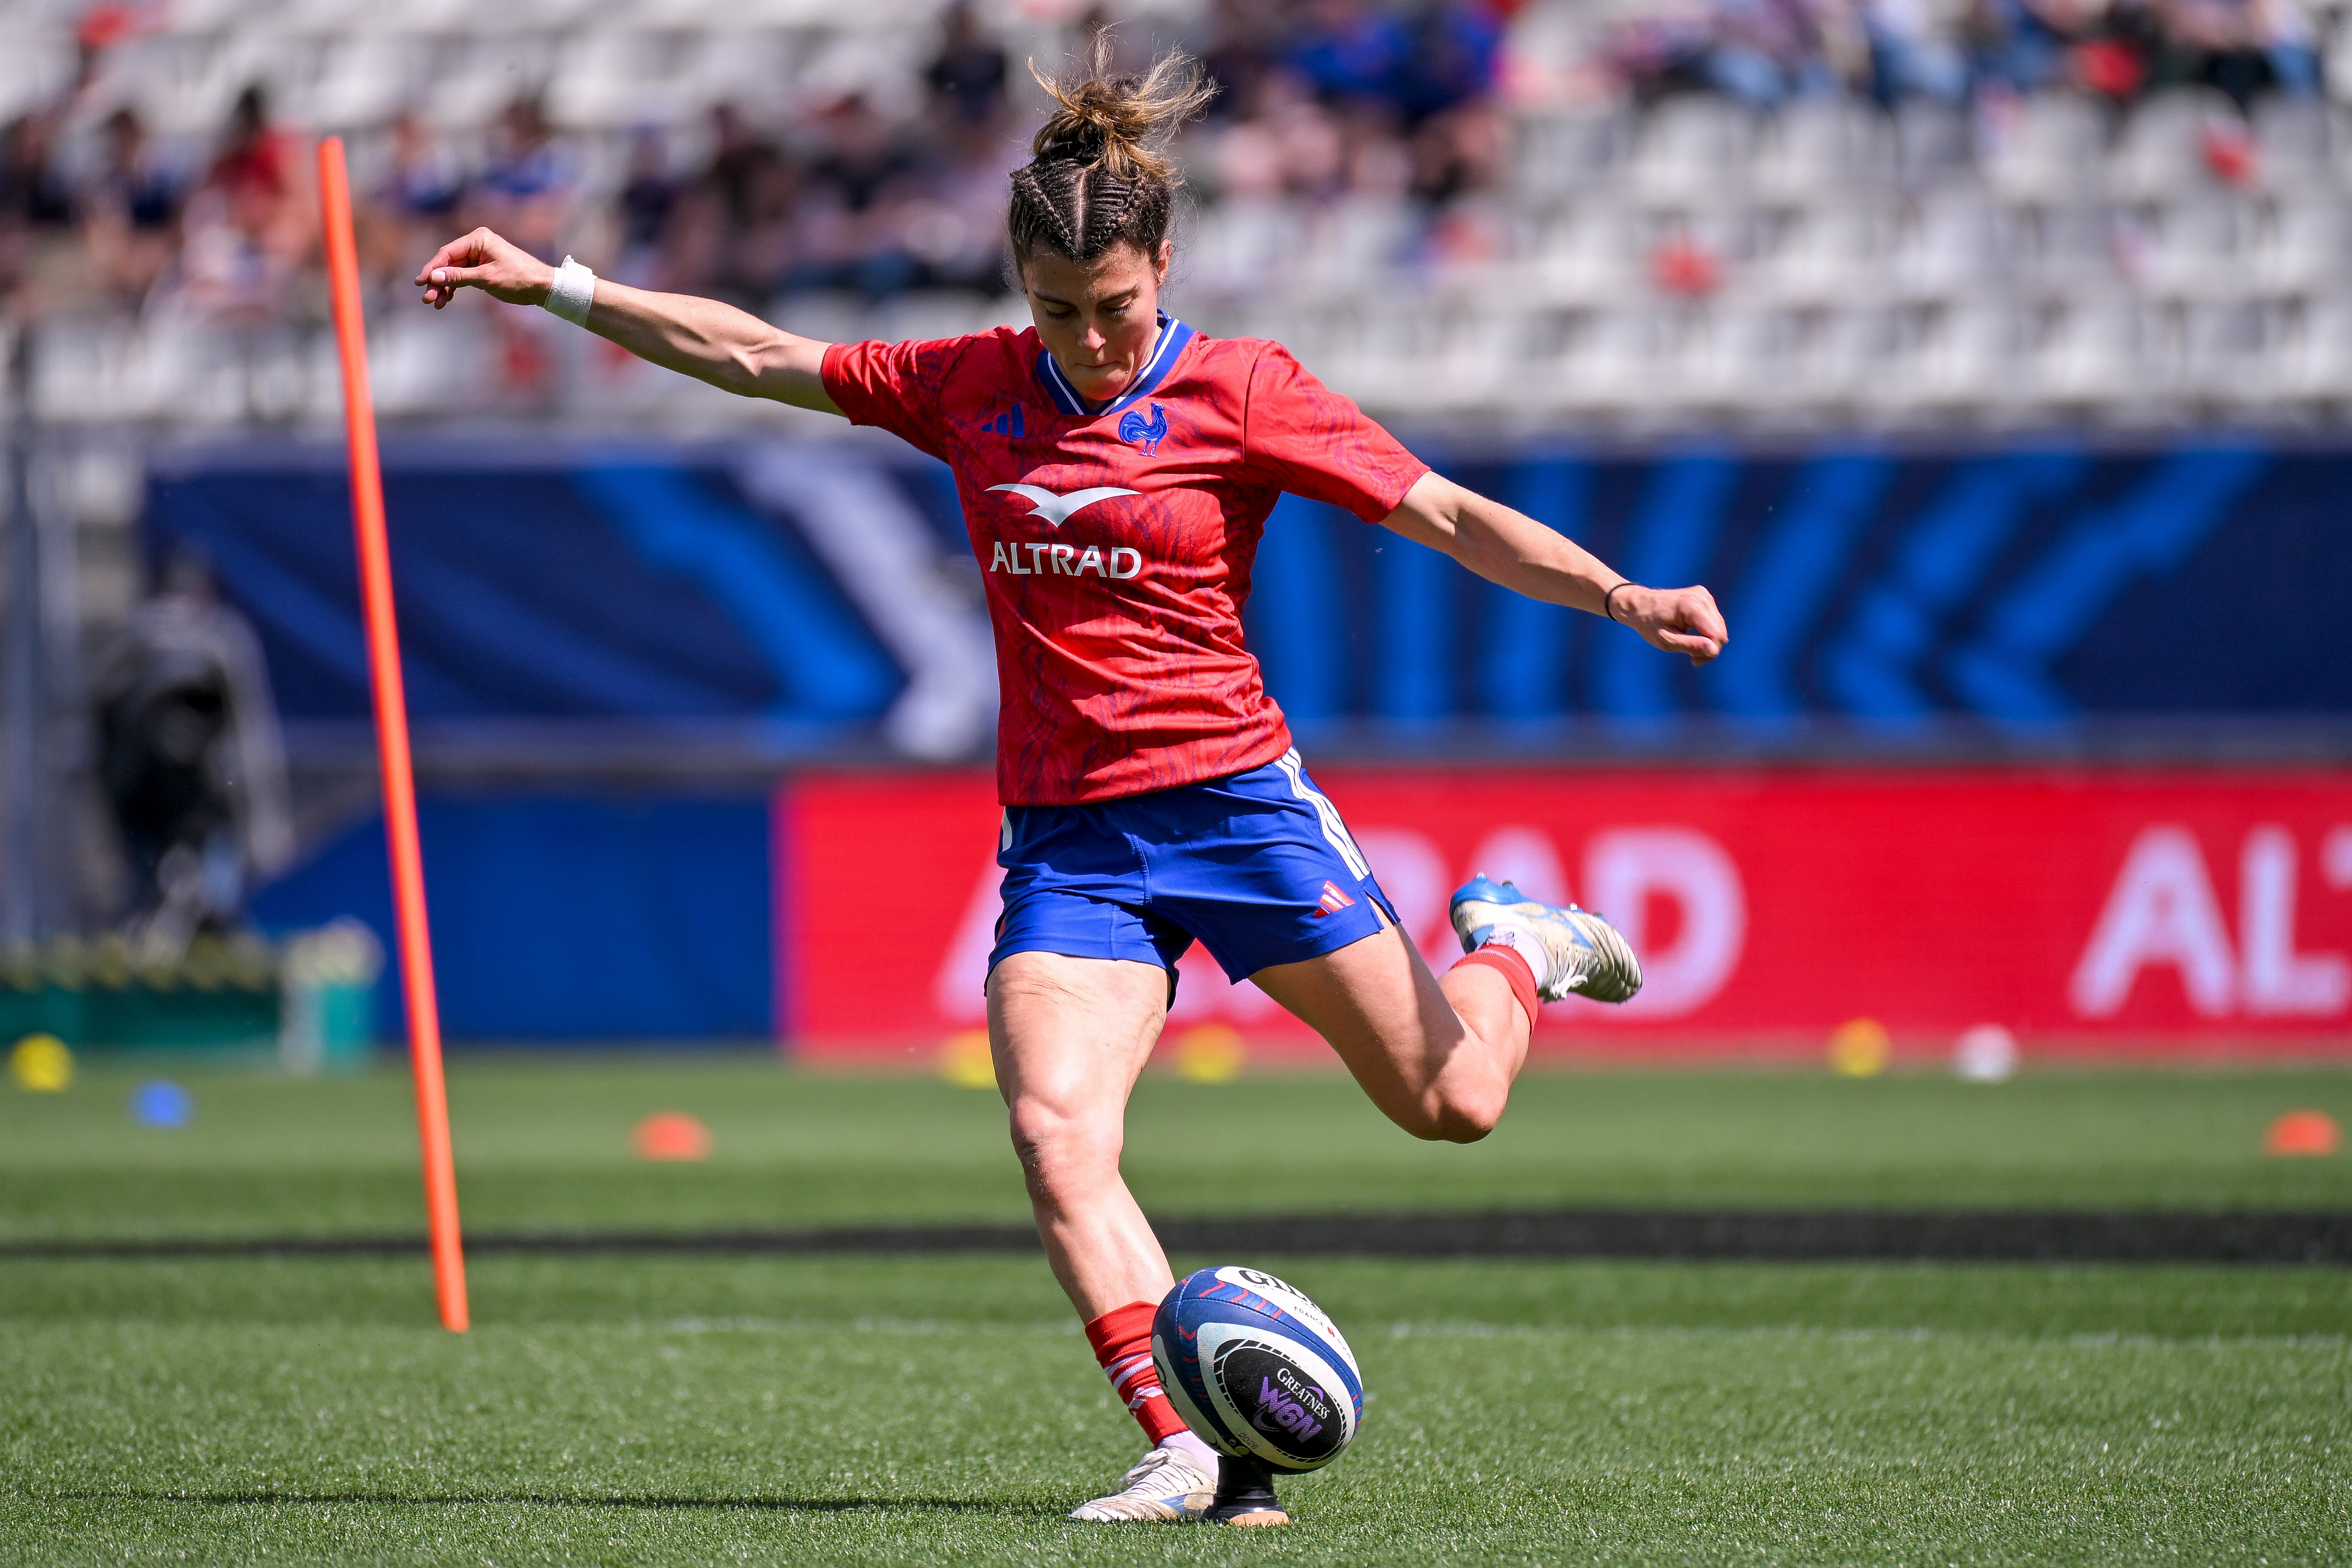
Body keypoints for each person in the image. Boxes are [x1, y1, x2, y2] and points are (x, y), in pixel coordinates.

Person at [413, 41, 1728, 1529]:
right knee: (1053, 1128)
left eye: (1117, 310)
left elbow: (1437, 510)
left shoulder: (1243, 392)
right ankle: (1189, 1446)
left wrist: (1620, 592)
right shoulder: (973, 386)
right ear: (1018, 289)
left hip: (1236, 808)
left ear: (1164, 265)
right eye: (1060, 314)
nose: (1094, 344)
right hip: (1070, 844)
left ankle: (1516, 942)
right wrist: (562, 286)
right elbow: (757, 353)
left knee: (1456, 1101)